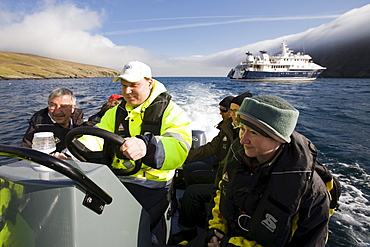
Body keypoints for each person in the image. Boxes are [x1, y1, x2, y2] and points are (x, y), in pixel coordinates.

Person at [189, 95, 330, 247]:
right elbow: (221, 192)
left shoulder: (309, 191)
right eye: (242, 129)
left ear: (279, 138)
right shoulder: (238, 155)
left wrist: (228, 244)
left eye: (254, 133)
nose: (243, 140)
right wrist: (216, 228)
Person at [79, 61, 192, 235]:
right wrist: (70, 153)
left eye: (133, 85)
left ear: (149, 83)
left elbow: (179, 146)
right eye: (124, 86)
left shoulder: (171, 112)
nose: (127, 91)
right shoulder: (114, 112)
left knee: (130, 227)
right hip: (117, 179)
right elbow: (95, 137)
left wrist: (147, 146)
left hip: (153, 184)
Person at [172, 92, 253, 245]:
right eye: (228, 110)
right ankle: (195, 210)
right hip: (222, 174)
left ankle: (187, 231)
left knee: (191, 192)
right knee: (190, 171)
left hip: (231, 183)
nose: (225, 113)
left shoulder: (246, 139)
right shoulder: (228, 128)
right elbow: (210, 149)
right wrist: (180, 156)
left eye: (227, 110)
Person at [22, 87, 84, 154]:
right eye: (53, 105)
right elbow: (26, 150)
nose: (57, 112)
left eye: (63, 106)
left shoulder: (78, 121)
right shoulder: (39, 124)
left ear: (72, 108)